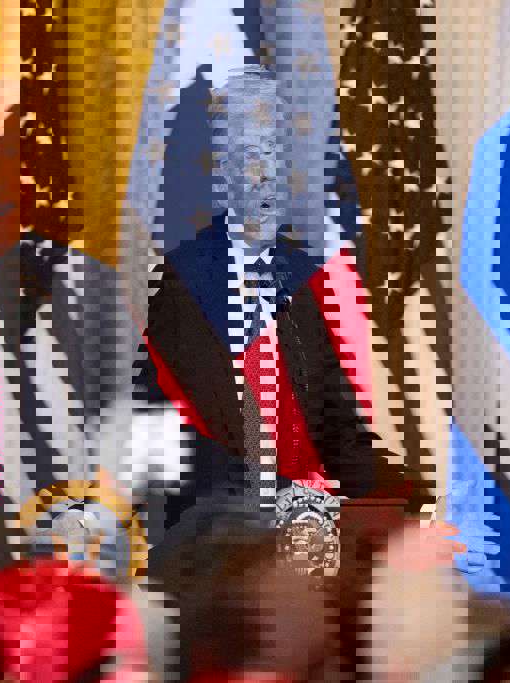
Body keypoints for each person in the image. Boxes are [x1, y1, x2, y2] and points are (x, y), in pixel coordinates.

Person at [138, 66, 417, 507]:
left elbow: (338, 426)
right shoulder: (182, 291)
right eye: (252, 155)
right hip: (238, 524)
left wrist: (389, 498)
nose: (268, 173)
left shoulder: (294, 277)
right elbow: (197, 462)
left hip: (311, 508)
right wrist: (301, 508)